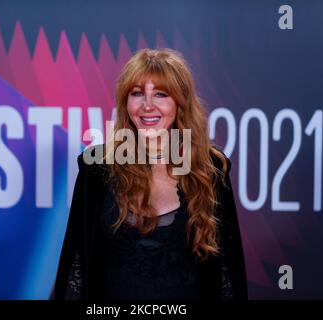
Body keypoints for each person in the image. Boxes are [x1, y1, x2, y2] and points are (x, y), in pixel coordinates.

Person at [54, 48, 247, 300]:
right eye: (137, 94)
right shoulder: (97, 169)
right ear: (125, 103)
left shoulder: (210, 170)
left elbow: (226, 279)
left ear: (181, 103)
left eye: (160, 94)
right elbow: (75, 271)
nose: (147, 105)